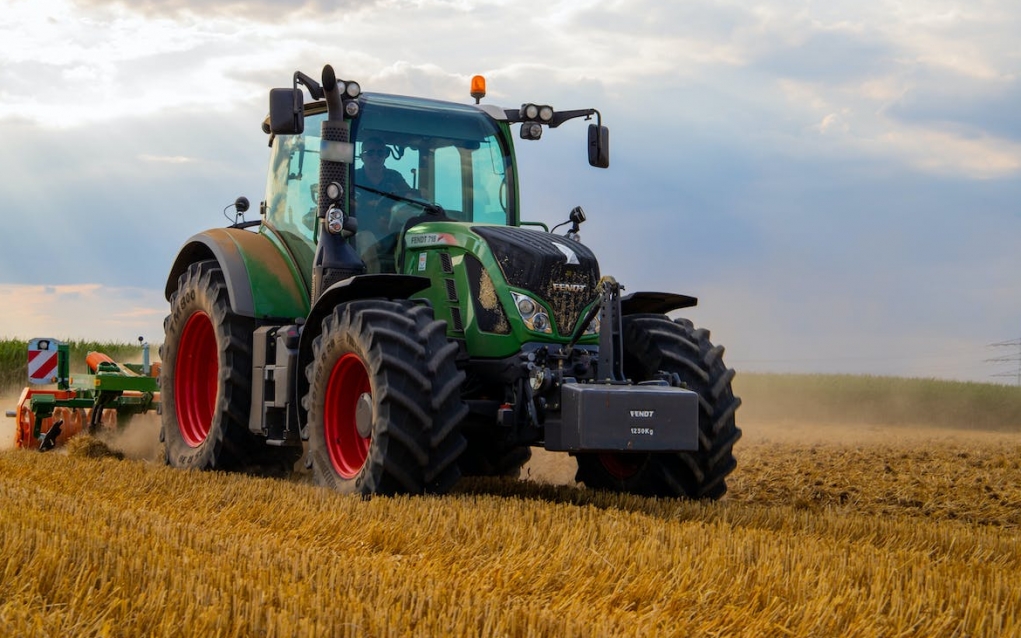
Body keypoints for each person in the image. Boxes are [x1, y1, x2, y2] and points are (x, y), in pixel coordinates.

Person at [353, 136, 412, 272]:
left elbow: (409, 198)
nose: (376, 157)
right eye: (370, 153)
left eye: (380, 153)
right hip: (358, 232)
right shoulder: (353, 177)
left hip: (390, 231)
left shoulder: (394, 177)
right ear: (362, 156)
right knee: (366, 237)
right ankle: (371, 284)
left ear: (385, 155)